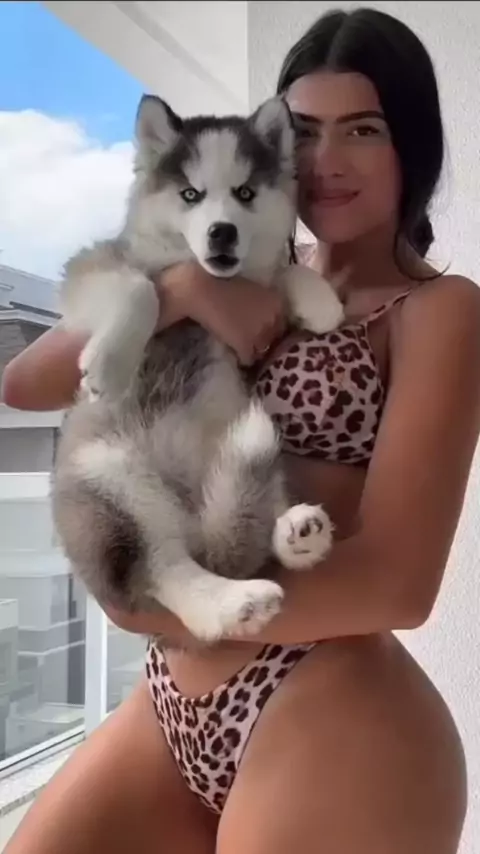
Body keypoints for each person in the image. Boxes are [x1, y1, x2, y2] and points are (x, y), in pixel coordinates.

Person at [2, 7, 479, 853]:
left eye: (362, 130)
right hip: (172, 702)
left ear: (412, 145)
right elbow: (28, 382)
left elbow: (399, 584)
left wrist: (163, 608)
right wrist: (179, 292)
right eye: (305, 132)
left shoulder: (439, 310)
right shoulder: (239, 267)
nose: (326, 161)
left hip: (327, 704)